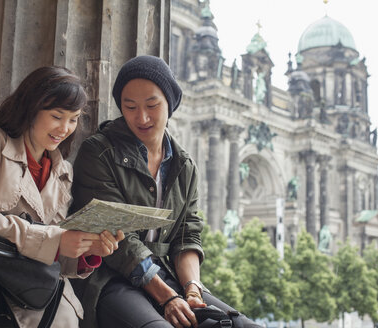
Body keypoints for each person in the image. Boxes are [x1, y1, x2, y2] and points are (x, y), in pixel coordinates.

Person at [0, 66, 124, 328]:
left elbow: (52, 250)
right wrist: (55, 239)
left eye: (73, 119)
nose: (65, 128)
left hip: (29, 282)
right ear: (31, 108)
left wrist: (85, 250)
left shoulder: (63, 172)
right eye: (56, 116)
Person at [70, 56, 262, 328]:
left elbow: (187, 236)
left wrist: (193, 289)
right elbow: (118, 239)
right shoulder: (99, 152)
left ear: (170, 104)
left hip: (168, 275)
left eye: (152, 105)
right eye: (130, 106)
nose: (142, 117)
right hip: (109, 277)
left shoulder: (185, 166)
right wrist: (168, 297)